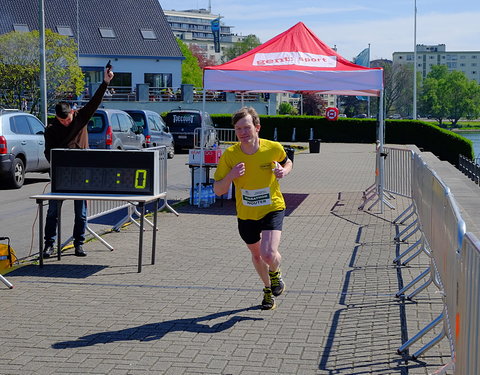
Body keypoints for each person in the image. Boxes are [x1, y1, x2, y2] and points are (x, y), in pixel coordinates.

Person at [213, 107, 293, 310]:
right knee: (257, 256)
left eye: (247, 127)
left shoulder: (273, 148)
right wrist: (231, 175)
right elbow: (218, 190)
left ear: (257, 127)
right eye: (238, 129)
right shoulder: (230, 155)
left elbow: (288, 162)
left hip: (272, 207)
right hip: (246, 213)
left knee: (268, 254)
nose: (242, 132)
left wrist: (283, 171)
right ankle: (268, 290)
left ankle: (276, 274)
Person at [42, 67, 114, 258]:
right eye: (61, 120)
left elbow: (95, 102)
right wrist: (55, 162)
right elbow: (48, 151)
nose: (65, 123)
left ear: (72, 113)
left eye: (67, 120)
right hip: (60, 176)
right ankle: (49, 245)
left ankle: (79, 244)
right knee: (52, 213)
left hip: (82, 175)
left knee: (81, 212)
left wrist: (105, 82)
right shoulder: (51, 128)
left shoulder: (81, 117)